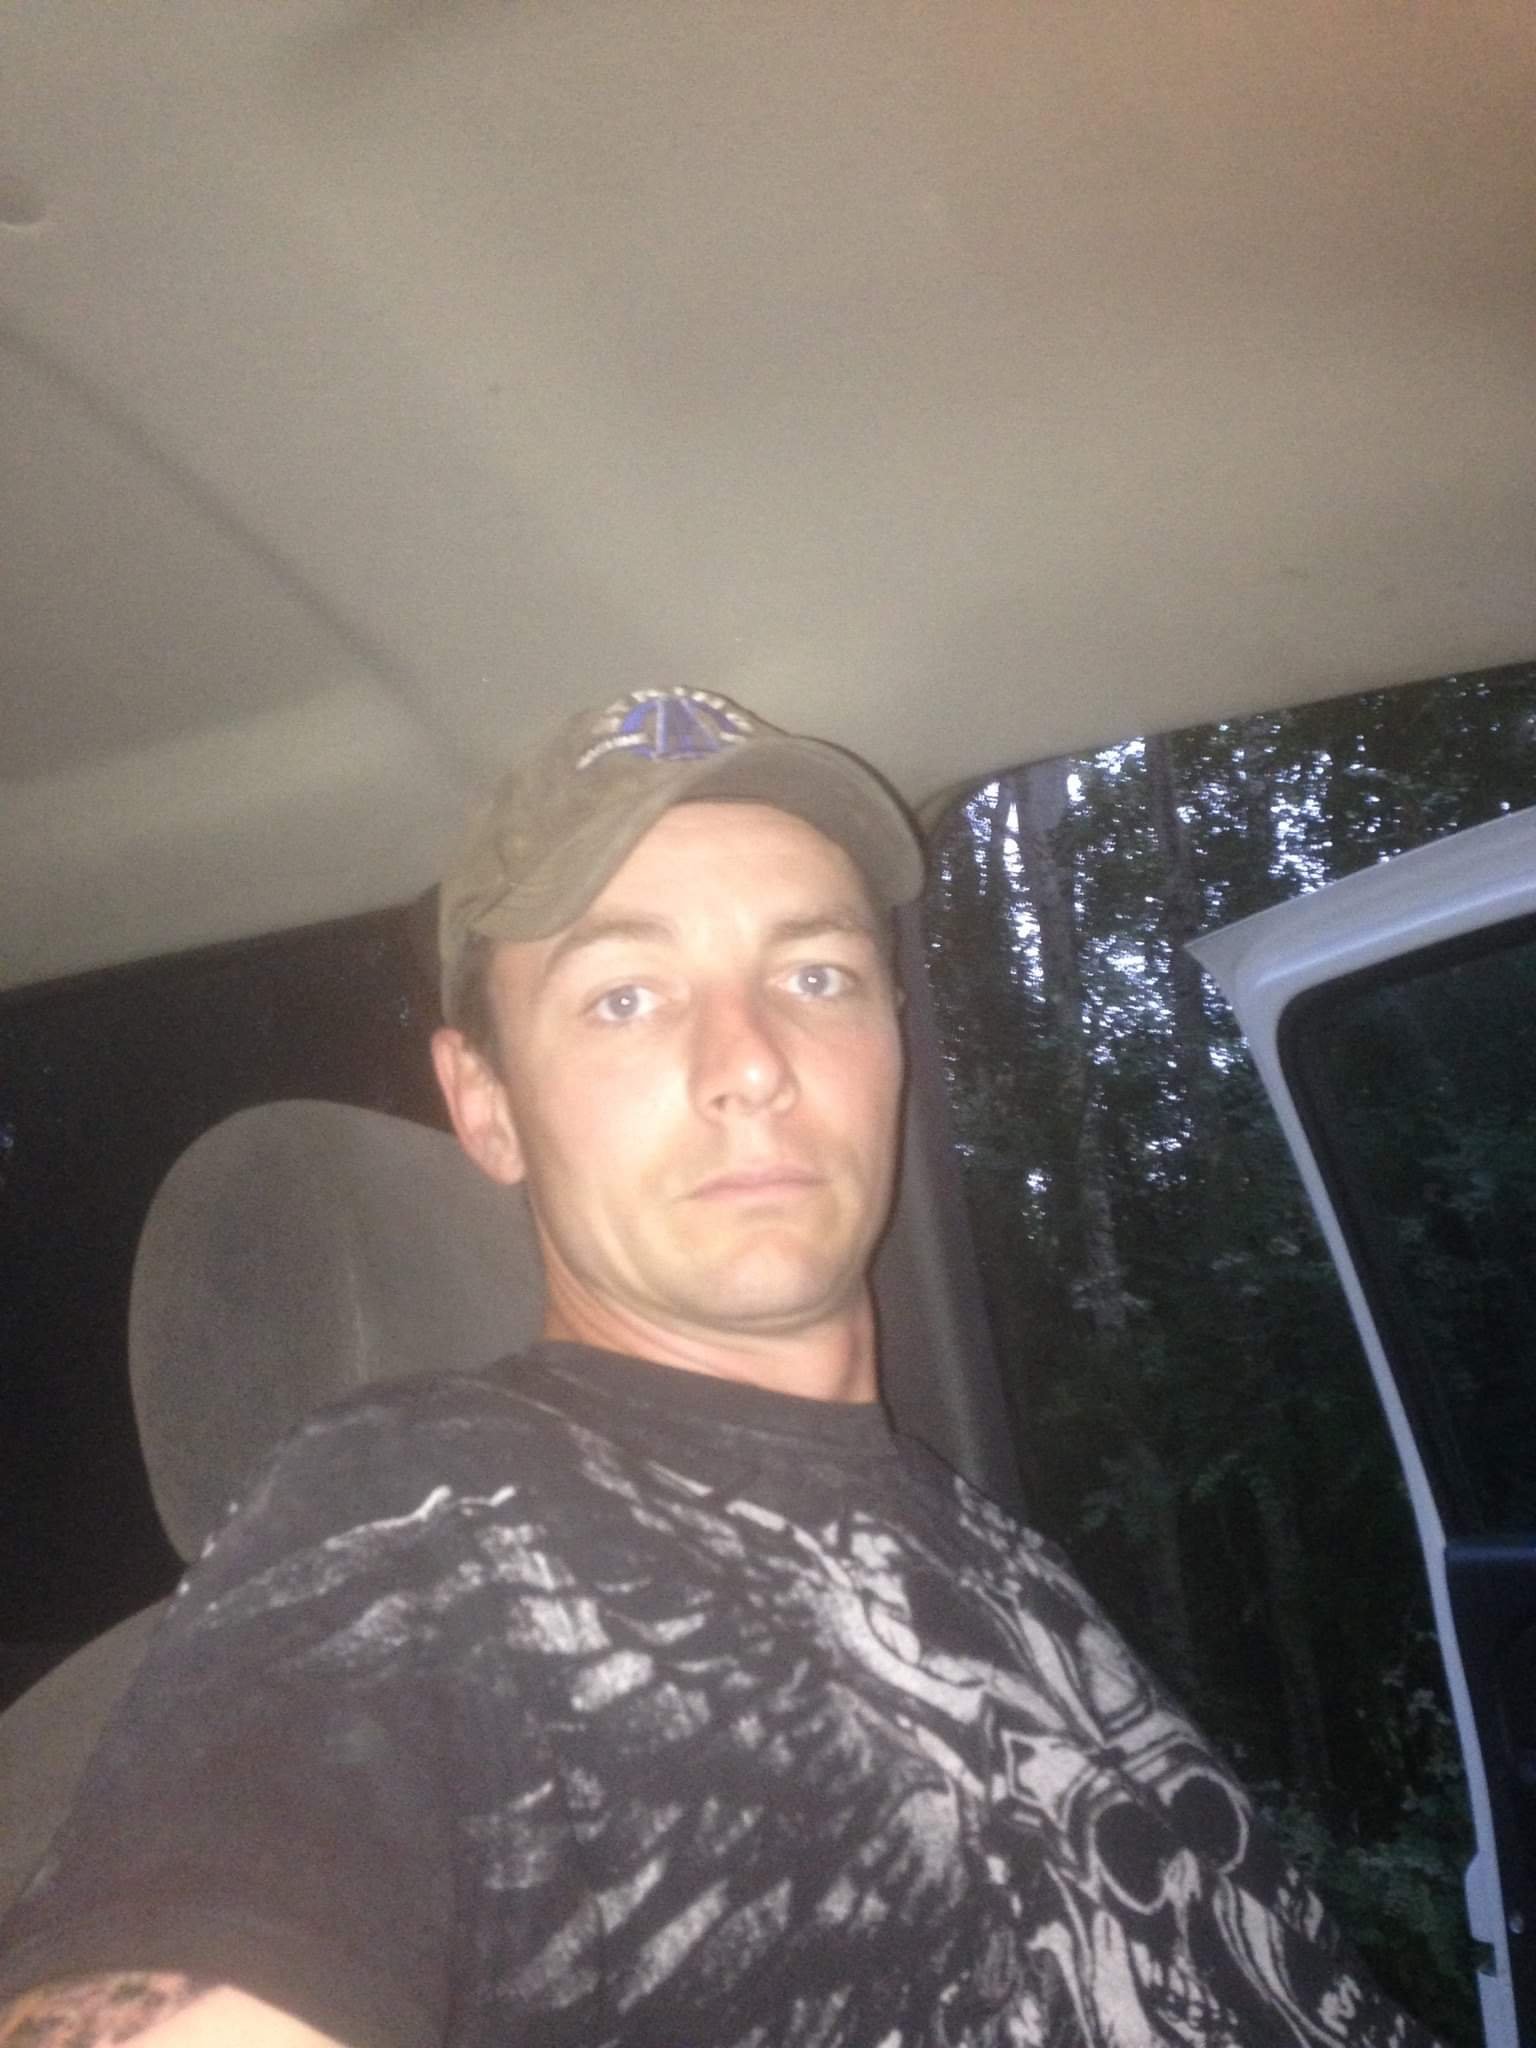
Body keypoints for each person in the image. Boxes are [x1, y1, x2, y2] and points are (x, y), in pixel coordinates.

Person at [0, 688, 1437, 2047]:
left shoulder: (993, 1549)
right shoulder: (413, 1518)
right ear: (484, 1104)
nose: (750, 1061)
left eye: (815, 975)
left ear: (892, 1046)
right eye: (626, 995)